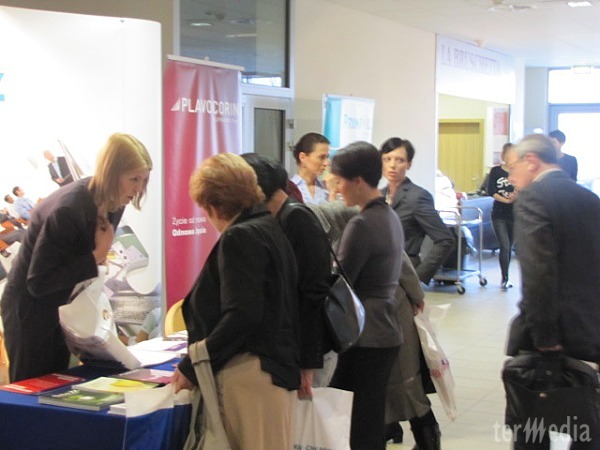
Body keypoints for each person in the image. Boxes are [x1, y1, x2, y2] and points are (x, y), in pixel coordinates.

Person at [171, 153, 300, 450]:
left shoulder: (239, 237)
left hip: (249, 375)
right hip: (273, 371)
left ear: (212, 205)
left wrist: (194, 363)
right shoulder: (268, 226)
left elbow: (242, 314)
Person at [0, 133, 152, 382]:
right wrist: (95, 257)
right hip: (30, 310)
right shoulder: (68, 209)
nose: (138, 189)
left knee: (62, 383)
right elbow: (38, 282)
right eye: (133, 179)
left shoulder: (114, 201)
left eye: (144, 180)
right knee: (35, 388)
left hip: (62, 304)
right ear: (112, 172)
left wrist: (95, 259)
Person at [505, 134, 600, 449]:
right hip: (589, 332)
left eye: (512, 168)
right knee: (584, 428)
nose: (510, 177)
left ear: (531, 161)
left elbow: (538, 274)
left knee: (533, 430)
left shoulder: (534, 197)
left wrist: (546, 341)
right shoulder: (589, 198)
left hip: (550, 338)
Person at [328, 141, 404, 450]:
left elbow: (339, 280)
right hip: (384, 329)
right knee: (369, 418)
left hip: (364, 334)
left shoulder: (361, 223)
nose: (337, 188)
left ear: (358, 180)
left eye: (340, 180)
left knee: (356, 424)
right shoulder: (388, 215)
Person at [241, 153, 331, 399]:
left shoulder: (297, 218)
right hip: (296, 344)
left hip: (308, 347)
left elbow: (313, 292)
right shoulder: (278, 217)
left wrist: (307, 363)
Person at [380, 137, 454, 285]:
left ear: (409, 164)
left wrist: (419, 276)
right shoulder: (378, 196)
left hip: (404, 273)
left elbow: (445, 240)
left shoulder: (417, 197)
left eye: (399, 160)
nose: (392, 165)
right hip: (379, 274)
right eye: (387, 159)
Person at [487, 142, 518, 290]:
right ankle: (504, 278)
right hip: (499, 214)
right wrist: (505, 200)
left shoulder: (518, 172)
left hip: (515, 214)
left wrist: (516, 196)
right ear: (504, 155)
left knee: (509, 246)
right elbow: (491, 190)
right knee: (504, 245)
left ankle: (507, 277)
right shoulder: (496, 171)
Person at [291, 132, 336, 204]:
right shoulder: (289, 189)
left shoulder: (327, 187)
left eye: (327, 157)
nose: (327, 163)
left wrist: (332, 192)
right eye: (321, 157)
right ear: (303, 157)